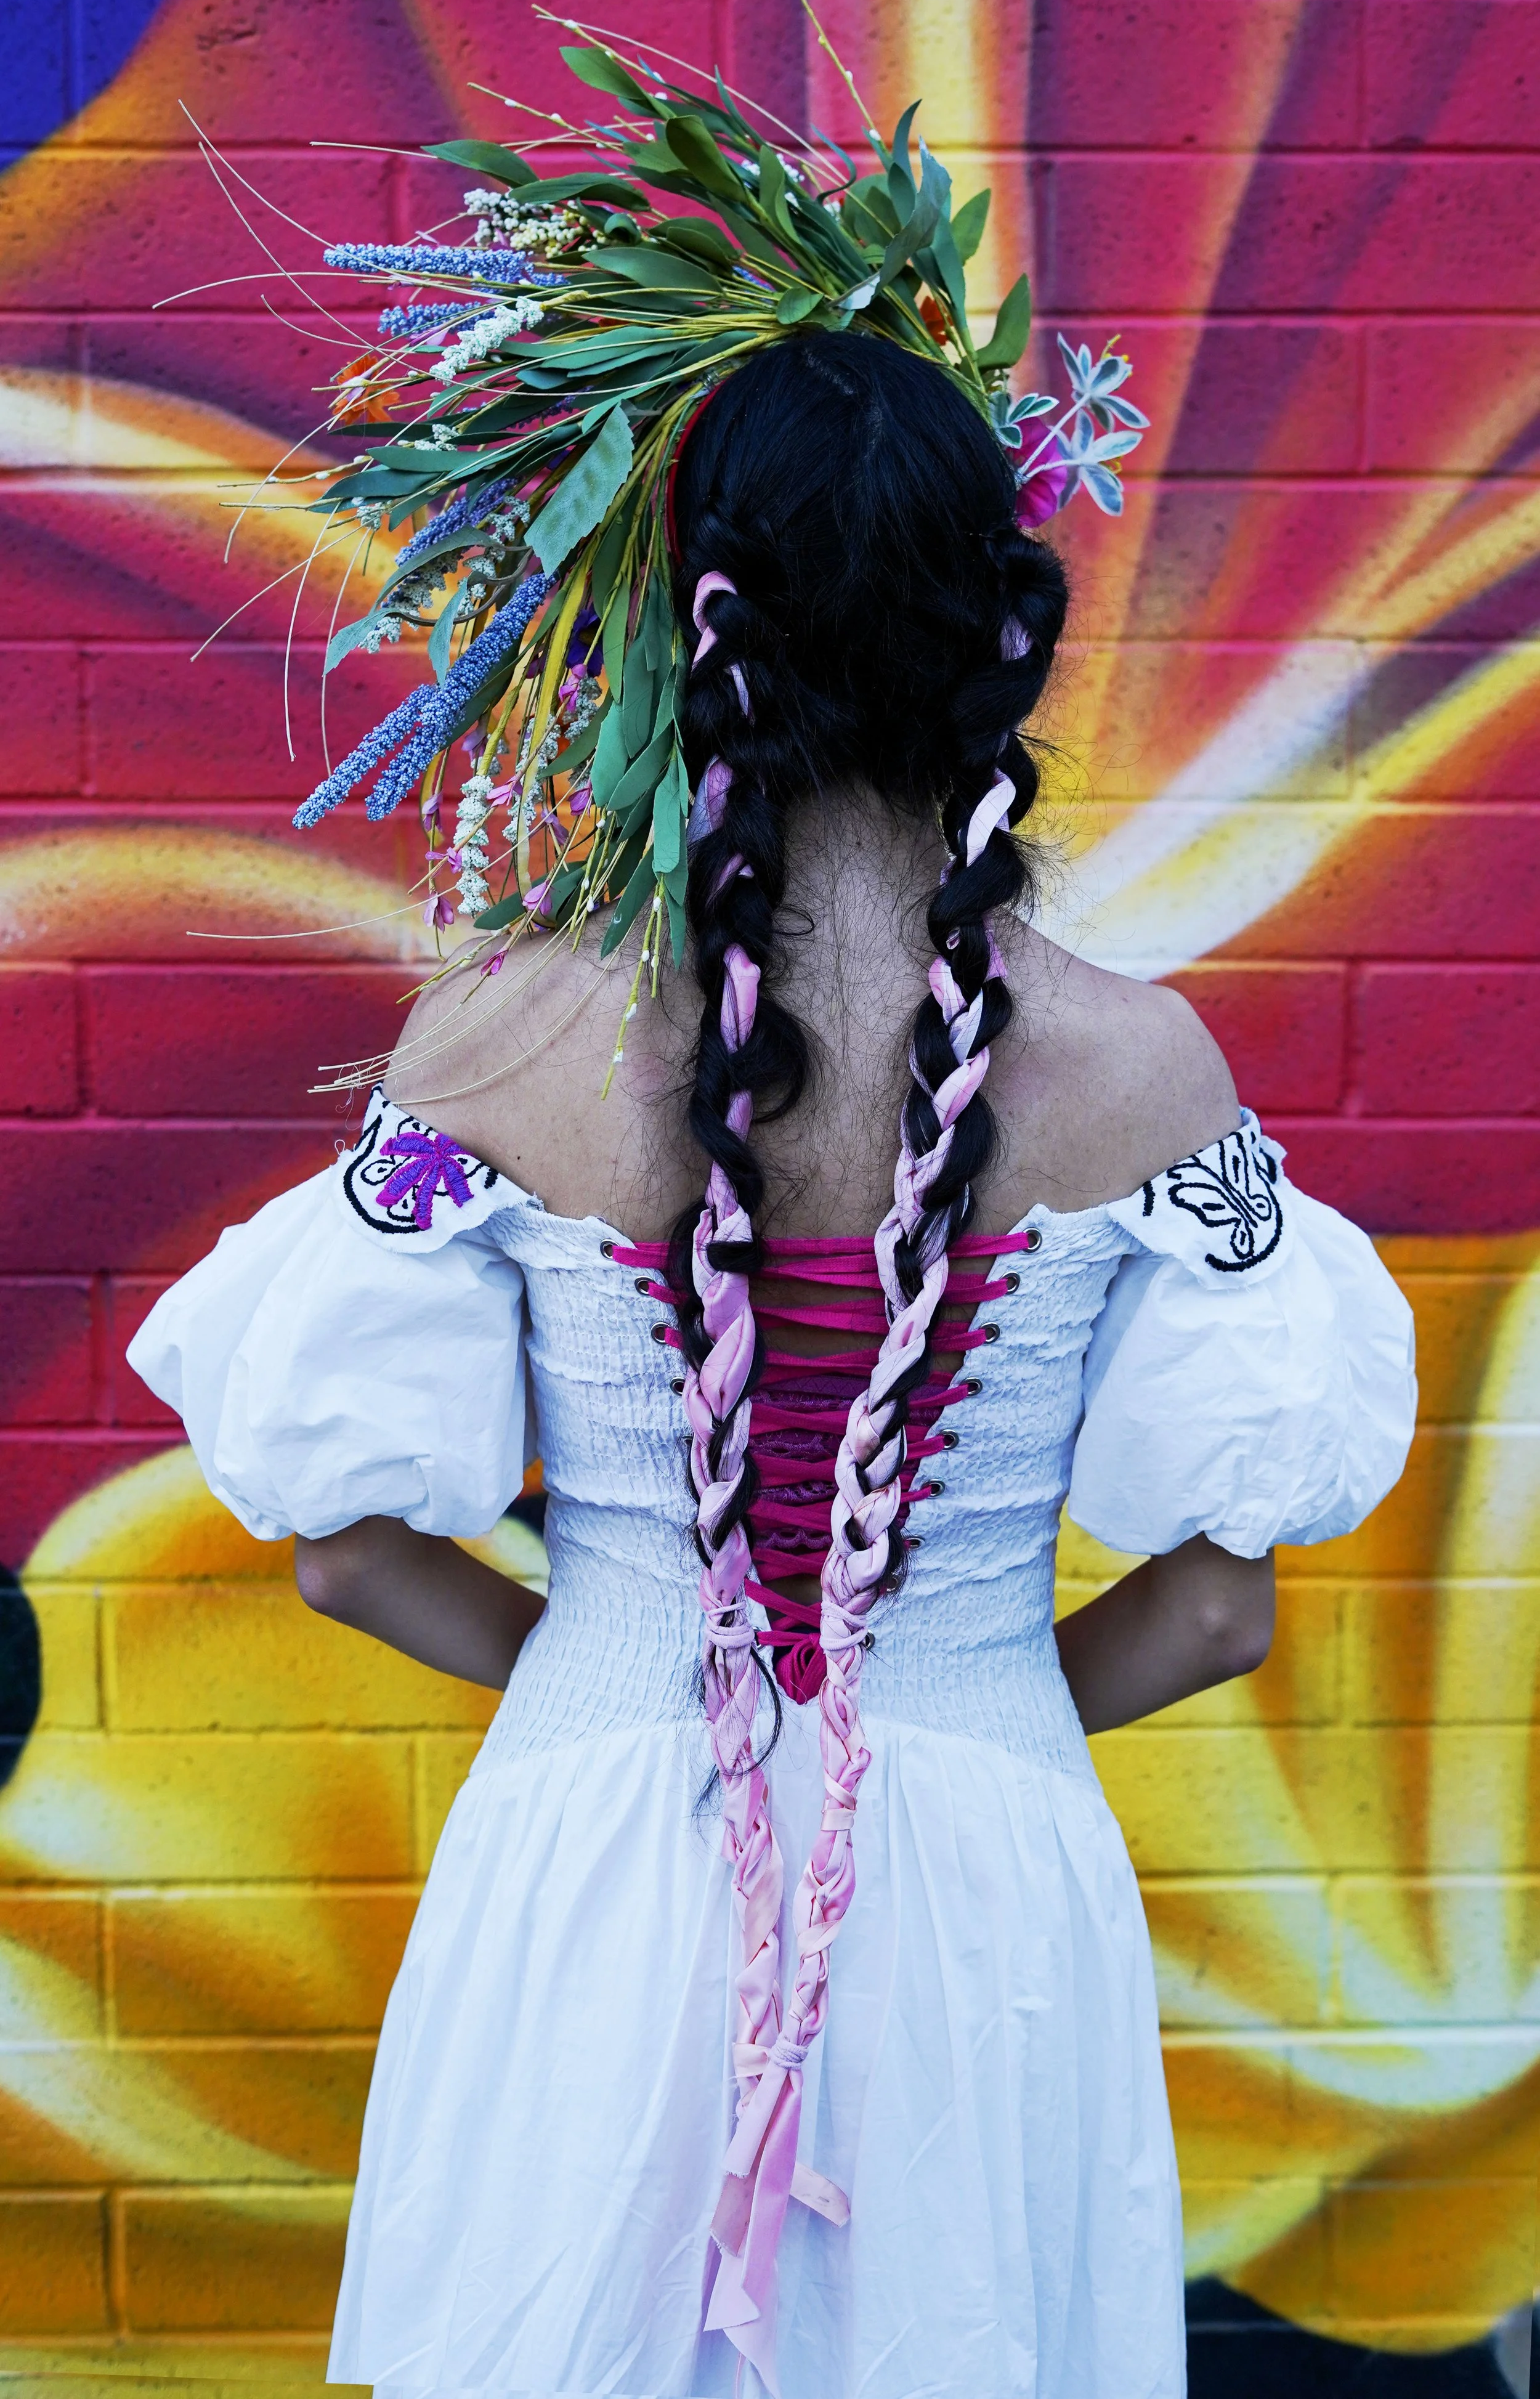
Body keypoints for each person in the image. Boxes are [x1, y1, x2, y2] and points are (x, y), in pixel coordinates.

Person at [131, 327, 1416, 2399]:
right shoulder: (1141, 1069)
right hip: (982, 1876)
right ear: (1001, 627)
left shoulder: (507, 1040)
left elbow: (346, 1554)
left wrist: (627, 1671)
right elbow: (1213, 1606)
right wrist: (959, 1712)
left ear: (681, 624)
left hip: (602, 1853)